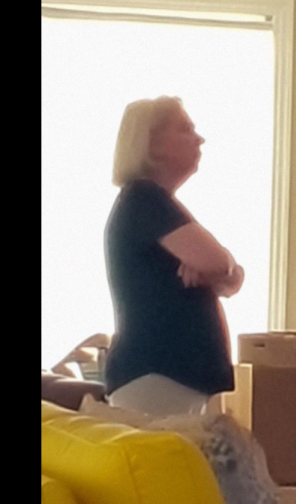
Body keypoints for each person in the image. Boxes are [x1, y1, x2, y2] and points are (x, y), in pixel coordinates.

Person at [103, 96, 243, 416]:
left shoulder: (158, 204)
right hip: (158, 376)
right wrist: (218, 267)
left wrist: (219, 269)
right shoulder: (144, 199)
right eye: (185, 129)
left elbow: (230, 277)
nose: (199, 139)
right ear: (151, 144)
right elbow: (219, 263)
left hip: (170, 379)